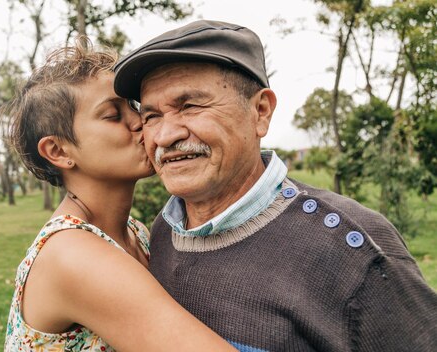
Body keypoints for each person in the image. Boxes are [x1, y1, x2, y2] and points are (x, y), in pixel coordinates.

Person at [113, 20, 437, 351]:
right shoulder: (164, 233)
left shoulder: (351, 248)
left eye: (191, 106)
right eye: (151, 116)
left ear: (261, 112)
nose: (165, 136)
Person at [3, 39, 235, 351]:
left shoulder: (136, 233)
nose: (141, 121)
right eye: (113, 115)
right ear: (58, 151)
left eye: (133, 106)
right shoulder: (72, 255)